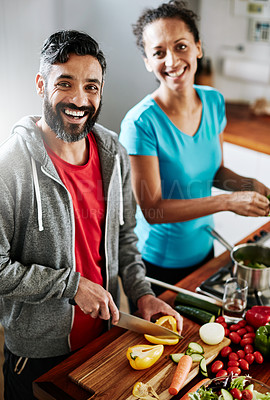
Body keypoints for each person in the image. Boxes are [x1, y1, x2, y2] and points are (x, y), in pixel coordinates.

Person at [0, 30, 183, 400]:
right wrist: (71, 285)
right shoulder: (11, 166)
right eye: (64, 83)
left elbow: (127, 237)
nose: (79, 100)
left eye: (92, 87)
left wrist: (142, 294)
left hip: (106, 336)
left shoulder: (113, 151)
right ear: (41, 84)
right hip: (37, 356)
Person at [119, 0, 270, 296]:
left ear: (198, 47)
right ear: (148, 61)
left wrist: (246, 185)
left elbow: (215, 172)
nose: (172, 61)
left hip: (204, 247)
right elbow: (152, 209)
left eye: (181, 46)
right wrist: (228, 202)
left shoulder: (213, 101)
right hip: (158, 261)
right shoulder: (140, 123)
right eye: (159, 53)